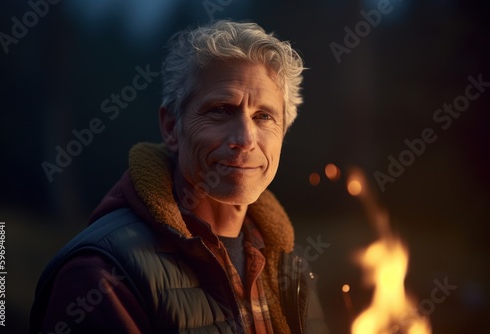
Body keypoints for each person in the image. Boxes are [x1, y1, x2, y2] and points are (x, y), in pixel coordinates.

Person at [30, 20, 329, 334]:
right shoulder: (101, 274)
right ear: (172, 127)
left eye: (264, 116)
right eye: (221, 110)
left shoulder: (288, 264)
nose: (244, 138)